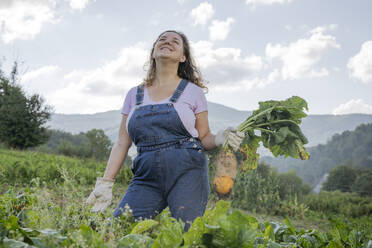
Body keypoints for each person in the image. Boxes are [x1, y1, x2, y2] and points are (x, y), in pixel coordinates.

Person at [86, 30, 244, 230]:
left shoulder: (193, 92)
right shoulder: (134, 94)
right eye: (162, 39)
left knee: (187, 235)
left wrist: (221, 138)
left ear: (183, 57)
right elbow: (121, 143)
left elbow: (204, 137)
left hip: (188, 171)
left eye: (175, 41)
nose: (167, 42)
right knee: (118, 230)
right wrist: (106, 182)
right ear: (153, 52)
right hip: (146, 175)